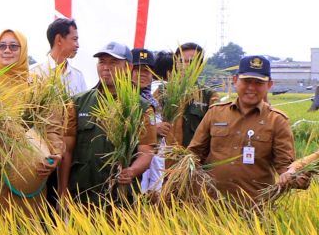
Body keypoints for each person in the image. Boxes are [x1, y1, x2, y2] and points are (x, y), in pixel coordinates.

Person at [0, 29, 63, 220]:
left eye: (13, 46)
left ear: (23, 50)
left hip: (26, 166)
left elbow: (52, 123)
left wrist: (56, 153)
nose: (7, 50)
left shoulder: (35, 84)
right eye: (2, 46)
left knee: (22, 226)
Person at [187, 56, 309, 203]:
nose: (251, 87)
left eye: (258, 83)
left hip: (254, 208)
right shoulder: (215, 113)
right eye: (246, 81)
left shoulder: (277, 120)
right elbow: (194, 154)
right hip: (210, 204)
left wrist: (296, 177)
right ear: (235, 80)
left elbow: (285, 166)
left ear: (269, 85)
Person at [59, 42, 156, 206]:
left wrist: (132, 171)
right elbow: (67, 151)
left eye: (113, 63)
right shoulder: (78, 103)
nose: (106, 67)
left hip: (122, 198)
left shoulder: (142, 107)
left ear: (128, 67)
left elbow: (146, 151)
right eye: (102, 62)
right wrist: (63, 192)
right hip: (82, 196)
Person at [156, 42, 215, 149]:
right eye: (182, 61)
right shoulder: (161, 91)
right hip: (163, 159)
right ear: (176, 63)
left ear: (200, 65)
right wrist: (154, 128)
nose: (186, 65)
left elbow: (216, 129)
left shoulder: (209, 95)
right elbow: (144, 120)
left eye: (191, 62)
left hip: (192, 159)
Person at [131, 48, 164, 193]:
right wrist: (153, 130)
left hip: (151, 168)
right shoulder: (123, 99)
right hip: (130, 169)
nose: (142, 75)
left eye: (147, 70)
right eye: (137, 69)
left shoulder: (153, 102)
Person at [33, 17, 88, 96]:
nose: (78, 45)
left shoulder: (78, 76)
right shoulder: (35, 73)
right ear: (59, 40)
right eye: (74, 39)